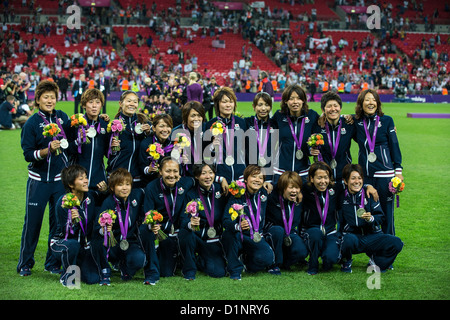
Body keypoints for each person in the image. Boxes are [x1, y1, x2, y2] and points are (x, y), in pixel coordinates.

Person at [18, 80, 71, 276]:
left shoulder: (62, 117)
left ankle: (52, 263)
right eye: (46, 97)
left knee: (57, 224)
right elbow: (27, 155)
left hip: (59, 181)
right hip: (38, 181)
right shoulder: (31, 123)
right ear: (38, 99)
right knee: (32, 224)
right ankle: (25, 263)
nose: (50, 101)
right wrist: (45, 151)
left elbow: (73, 140)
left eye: (53, 97)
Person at [353, 89, 403, 236]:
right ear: (361, 104)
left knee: (387, 210)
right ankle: (373, 244)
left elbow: (394, 145)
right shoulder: (356, 122)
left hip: (385, 175)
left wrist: (398, 170)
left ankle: (389, 242)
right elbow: (338, 118)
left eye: (373, 100)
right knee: (368, 211)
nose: (370, 103)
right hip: (366, 176)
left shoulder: (387, 121)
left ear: (378, 103)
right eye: (367, 100)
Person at [339, 164, 403, 273]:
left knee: (397, 243)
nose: (357, 181)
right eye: (353, 178)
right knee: (347, 239)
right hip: (354, 237)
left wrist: (371, 219)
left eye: (359, 178)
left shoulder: (371, 194)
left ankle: (376, 261)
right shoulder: (340, 196)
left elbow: (381, 217)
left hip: (372, 236)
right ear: (345, 181)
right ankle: (346, 260)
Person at [51, 165, 107, 286]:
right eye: (81, 179)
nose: (86, 181)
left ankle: (77, 267)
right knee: (72, 245)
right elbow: (67, 233)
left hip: (83, 246)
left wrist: (105, 190)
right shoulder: (64, 202)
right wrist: (73, 221)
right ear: (71, 185)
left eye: (86, 177)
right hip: (62, 243)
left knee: (93, 279)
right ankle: (67, 276)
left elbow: (105, 198)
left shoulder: (90, 197)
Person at [141, 157, 195, 279]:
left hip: (179, 231)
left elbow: (200, 179)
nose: (172, 175)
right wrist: (153, 226)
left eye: (175, 171)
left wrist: (221, 179)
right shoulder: (152, 187)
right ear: (160, 171)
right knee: (166, 273)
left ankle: (189, 268)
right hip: (162, 234)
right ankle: (168, 257)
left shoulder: (185, 183)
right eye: (168, 171)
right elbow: (148, 214)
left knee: (189, 232)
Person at [92, 168, 146, 285]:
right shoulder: (108, 203)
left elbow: (152, 190)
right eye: (120, 185)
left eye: (127, 184)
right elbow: (96, 228)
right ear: (112, 188)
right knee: (98, 241)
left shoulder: (137, 196)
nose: (125, 188)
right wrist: (104, 230)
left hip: (130, 242)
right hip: (112, 243)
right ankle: (105, 270)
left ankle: (125, 268)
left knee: (140, 260)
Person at [222, 165, 275, 280]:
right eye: (254, 176)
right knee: (228, 235)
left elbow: (283, 191)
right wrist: (237, 226)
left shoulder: (264, 193)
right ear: (245, 179)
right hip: (240, 236)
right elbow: (225, 220)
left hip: (255, 237)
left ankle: (247, 262)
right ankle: (234, 270)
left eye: (260, 178)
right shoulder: (237, 194)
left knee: (267, 258)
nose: (257, 180)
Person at [178, 163, 227, 280]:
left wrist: (223, 179)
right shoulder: (191, 194)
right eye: (203, 173)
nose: (207, 176)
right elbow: (183, 219)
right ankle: (189, 270)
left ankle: (200, 260)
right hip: (198, 238)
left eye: (210, 173)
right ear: (196, 176)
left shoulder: (221, 190)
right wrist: (191, 224)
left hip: (215, 239)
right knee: (185, 233)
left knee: (218, 273)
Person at [272, 84, 319, 184]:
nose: (295, 102)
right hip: (281, 170)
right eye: (291, 98)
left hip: (303, 171)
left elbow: (325, 123)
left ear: (303, 100)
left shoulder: (312, 116)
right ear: (285, 101)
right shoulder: (278, 116)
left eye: (298, 98)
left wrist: (312, 149)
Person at [311, 91, 356, 192]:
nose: (333, 109)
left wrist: (390, 128)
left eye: (336, 106)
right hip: (323, 179)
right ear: (323, 109)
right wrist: (311, 149)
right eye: (329, 106)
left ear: (340, 108)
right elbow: (308, 141)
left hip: (344, 178)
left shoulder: (349, 124)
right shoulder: (317, 125)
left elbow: (363, 119)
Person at [301, 162, 341, 275]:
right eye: (319, 178)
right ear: (311, 179)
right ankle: (312, 264)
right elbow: (286, 186)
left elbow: (354, 185)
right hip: (311, 231)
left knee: (330, 260)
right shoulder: (305, 190)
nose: (323, 182)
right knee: (315, 234)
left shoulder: (336, 189)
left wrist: (369, 187)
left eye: (326, 177)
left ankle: (326, 255)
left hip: (330, 232)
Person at [106, 90, 151, 188]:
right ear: (121, 103)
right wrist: (111, 148)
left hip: (136, 178)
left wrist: (149, 133)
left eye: (135, 102)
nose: (132, 104)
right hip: (117, 176)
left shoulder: (144, 124)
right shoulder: (112, 126)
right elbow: (105, 152)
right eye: (129, 101)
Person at [265, 171, 308, 274]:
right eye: (291, 187)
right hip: (273, 233)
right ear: (283, 188)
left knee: (302, 252)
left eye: (297, 188)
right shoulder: (271, 196)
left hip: (290, 233)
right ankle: (274, 264)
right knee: (278, 231)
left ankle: (285, 263)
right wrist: (264, 183)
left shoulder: (299, 200)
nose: (294, 191)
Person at [69, 88, 110, 192]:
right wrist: (78, 142)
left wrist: (113, 147)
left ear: (101, 105)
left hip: (99, 182)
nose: (94, 106)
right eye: (90, 102)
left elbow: (107, 154)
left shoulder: (105, 125)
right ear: (83, 105)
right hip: (77, 180)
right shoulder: (75, 124)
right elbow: (67, 149)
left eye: (98, 102)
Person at [205, 87, 247, 185]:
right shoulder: (209, 124)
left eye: (231, 102)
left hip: (240, 175)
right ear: (217, 104)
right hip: (219, 177)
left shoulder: (241, 122)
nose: (228, 105)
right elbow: (206, 155)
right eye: (224, 102)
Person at [244, 92, 278, 183]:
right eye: (260, 105)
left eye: (267, 105)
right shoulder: (247, 123)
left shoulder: (275, 124)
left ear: (270, 107)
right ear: (254, 106)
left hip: (269, 172)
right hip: (250, 171)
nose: (263, 108)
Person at [171, 101, 207, 178]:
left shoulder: (206, 129)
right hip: (184, 176)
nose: (196, 119)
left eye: (199, 115)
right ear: (186, 116)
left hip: (203, 175)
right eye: (193, 116)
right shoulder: (177, 132)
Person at [138, 113, 175, 186]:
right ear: (154, 128)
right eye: (161, 126)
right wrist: (149, 169)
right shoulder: (146, 144)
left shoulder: (174, 144)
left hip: (170, 183)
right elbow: (142, 167)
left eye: (168, 126)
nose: (165, 130)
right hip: (150, 184)